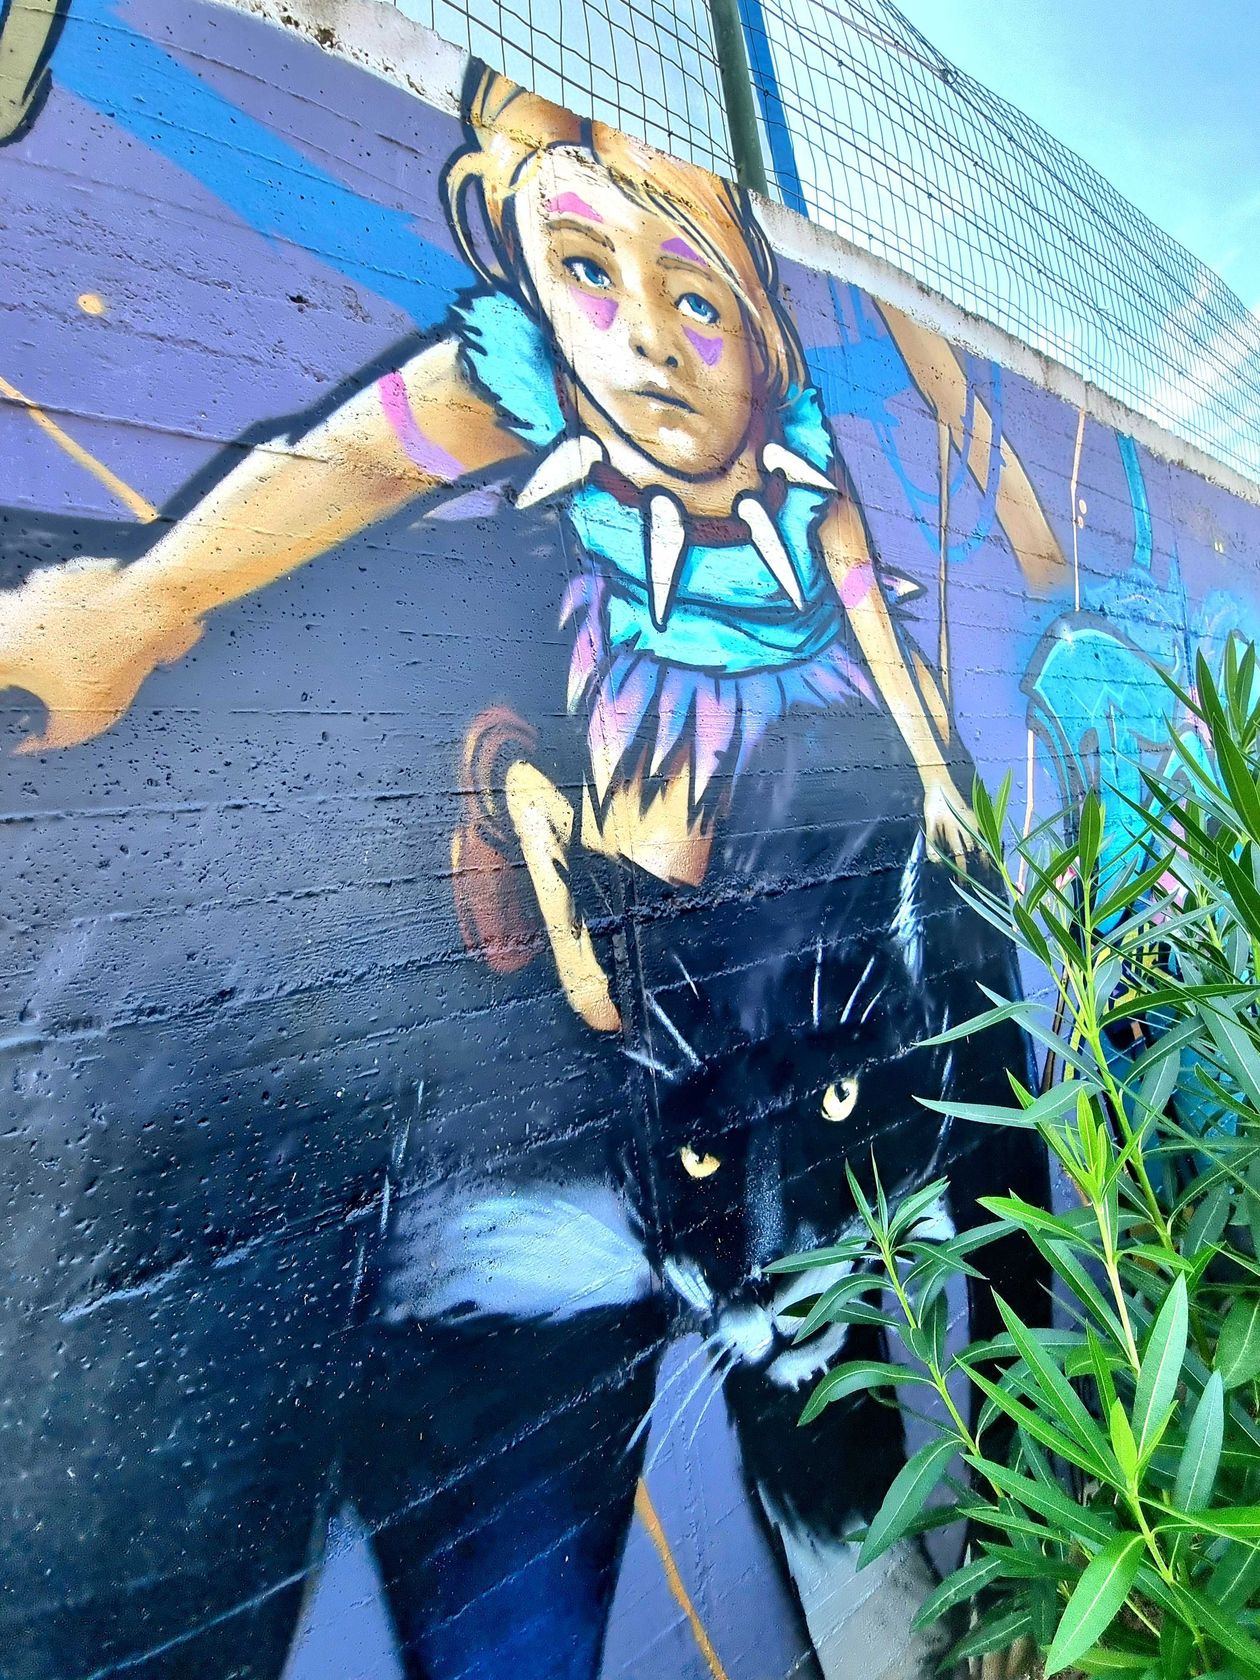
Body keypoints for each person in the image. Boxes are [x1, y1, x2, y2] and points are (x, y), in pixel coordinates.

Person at [0, 64, 1056, 1680]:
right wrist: (150, 600)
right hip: (627, 866)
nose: (646, 342)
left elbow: (860, 594)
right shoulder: (544, 393)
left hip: (758, 880)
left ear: (764, 328)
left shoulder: (796, 473)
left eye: (698, 301)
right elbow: (363, 455)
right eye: (585, 275)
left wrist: (934, 770)